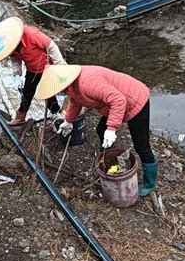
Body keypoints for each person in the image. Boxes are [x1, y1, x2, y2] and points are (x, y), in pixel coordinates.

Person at [35, 64, 158, 196]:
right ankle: (110, 154)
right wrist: (68, 121)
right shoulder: (71, 85)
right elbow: (75, 101)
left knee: (141, 146)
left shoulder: (87, 83)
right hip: (116, 101)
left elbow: (119, 100)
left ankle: (149, 184)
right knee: (100, 129)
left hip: (135, 99)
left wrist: (111, 129)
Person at [0, 16, 66, 127]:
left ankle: (57, 113)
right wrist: (17, 75)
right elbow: (15, 59)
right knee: (27, 92)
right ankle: (20, 117)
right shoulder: (9, 45)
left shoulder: (32, 35)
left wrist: (60, 65)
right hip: (32, 69)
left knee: (49, 91)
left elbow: (51, 46)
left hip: (48, 66)